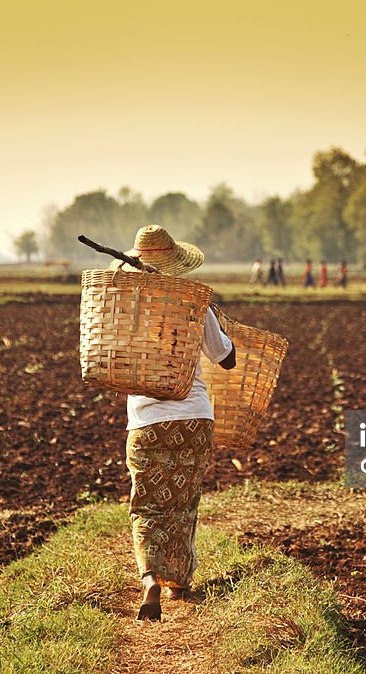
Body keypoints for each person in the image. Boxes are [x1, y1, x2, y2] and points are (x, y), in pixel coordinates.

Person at [111, 225, 236, 622]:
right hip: (193, 419)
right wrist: (215, 323)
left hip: (146, 421)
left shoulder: (122, 309)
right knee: (183, 502)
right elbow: (226, 359)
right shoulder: (193, 303)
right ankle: (179, 581)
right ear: (175, 264)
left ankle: (150, 577)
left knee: (146, 505)